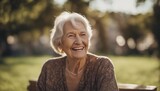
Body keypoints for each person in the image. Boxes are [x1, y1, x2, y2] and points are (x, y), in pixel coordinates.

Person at [37, 11, 119, 91]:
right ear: (60, 43)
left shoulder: (102, 66)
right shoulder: (49, 68)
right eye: (71, 35)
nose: (79, 41)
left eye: (83, 34)